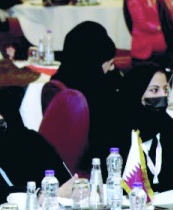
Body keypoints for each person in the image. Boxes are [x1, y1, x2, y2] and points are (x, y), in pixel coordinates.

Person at [111, 64, 173, 194]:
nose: (163, 95)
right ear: (137, 92)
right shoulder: (115, 132)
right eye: (154, 90)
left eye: (165, 90)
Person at [50, 21, 120, 161]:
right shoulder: (95, 94)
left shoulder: (63, 79)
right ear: (94, 63)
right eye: (110, 63)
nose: (112, 68)